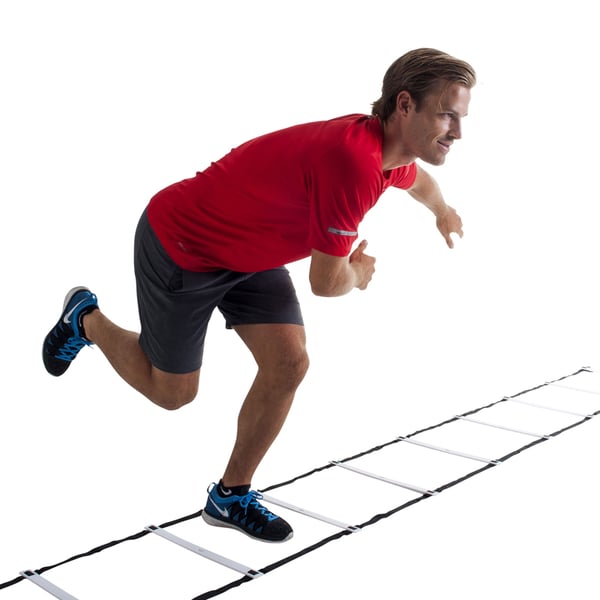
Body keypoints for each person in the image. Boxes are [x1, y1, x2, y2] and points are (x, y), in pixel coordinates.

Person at [42, 48, 476, 543]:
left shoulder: (389, 155)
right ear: (405, 105)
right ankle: (85, 319)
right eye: (447, 115)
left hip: (251, 252)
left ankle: (229, 497)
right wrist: (357, 274)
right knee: (172, 393)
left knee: (289, 364)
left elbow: (419, 182)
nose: (458, 132)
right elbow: (325, 282)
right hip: (185, 244)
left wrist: (443, 211)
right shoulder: (353, 163)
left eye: (461, 118)